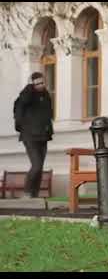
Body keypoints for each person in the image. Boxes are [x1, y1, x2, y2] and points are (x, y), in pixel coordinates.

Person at [15, 72, 54, 200]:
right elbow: (20, 107)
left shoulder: (46, 95)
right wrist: (30, 88)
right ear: (32, 83)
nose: (41, 85)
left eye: (42, 82)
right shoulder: (27, 94)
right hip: (30, 136)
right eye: (37, 83)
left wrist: (49, 129)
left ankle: (34, 194)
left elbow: (48, 114)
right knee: (36, 165)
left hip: (43, 135)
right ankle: (26, 192)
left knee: (40, 167)